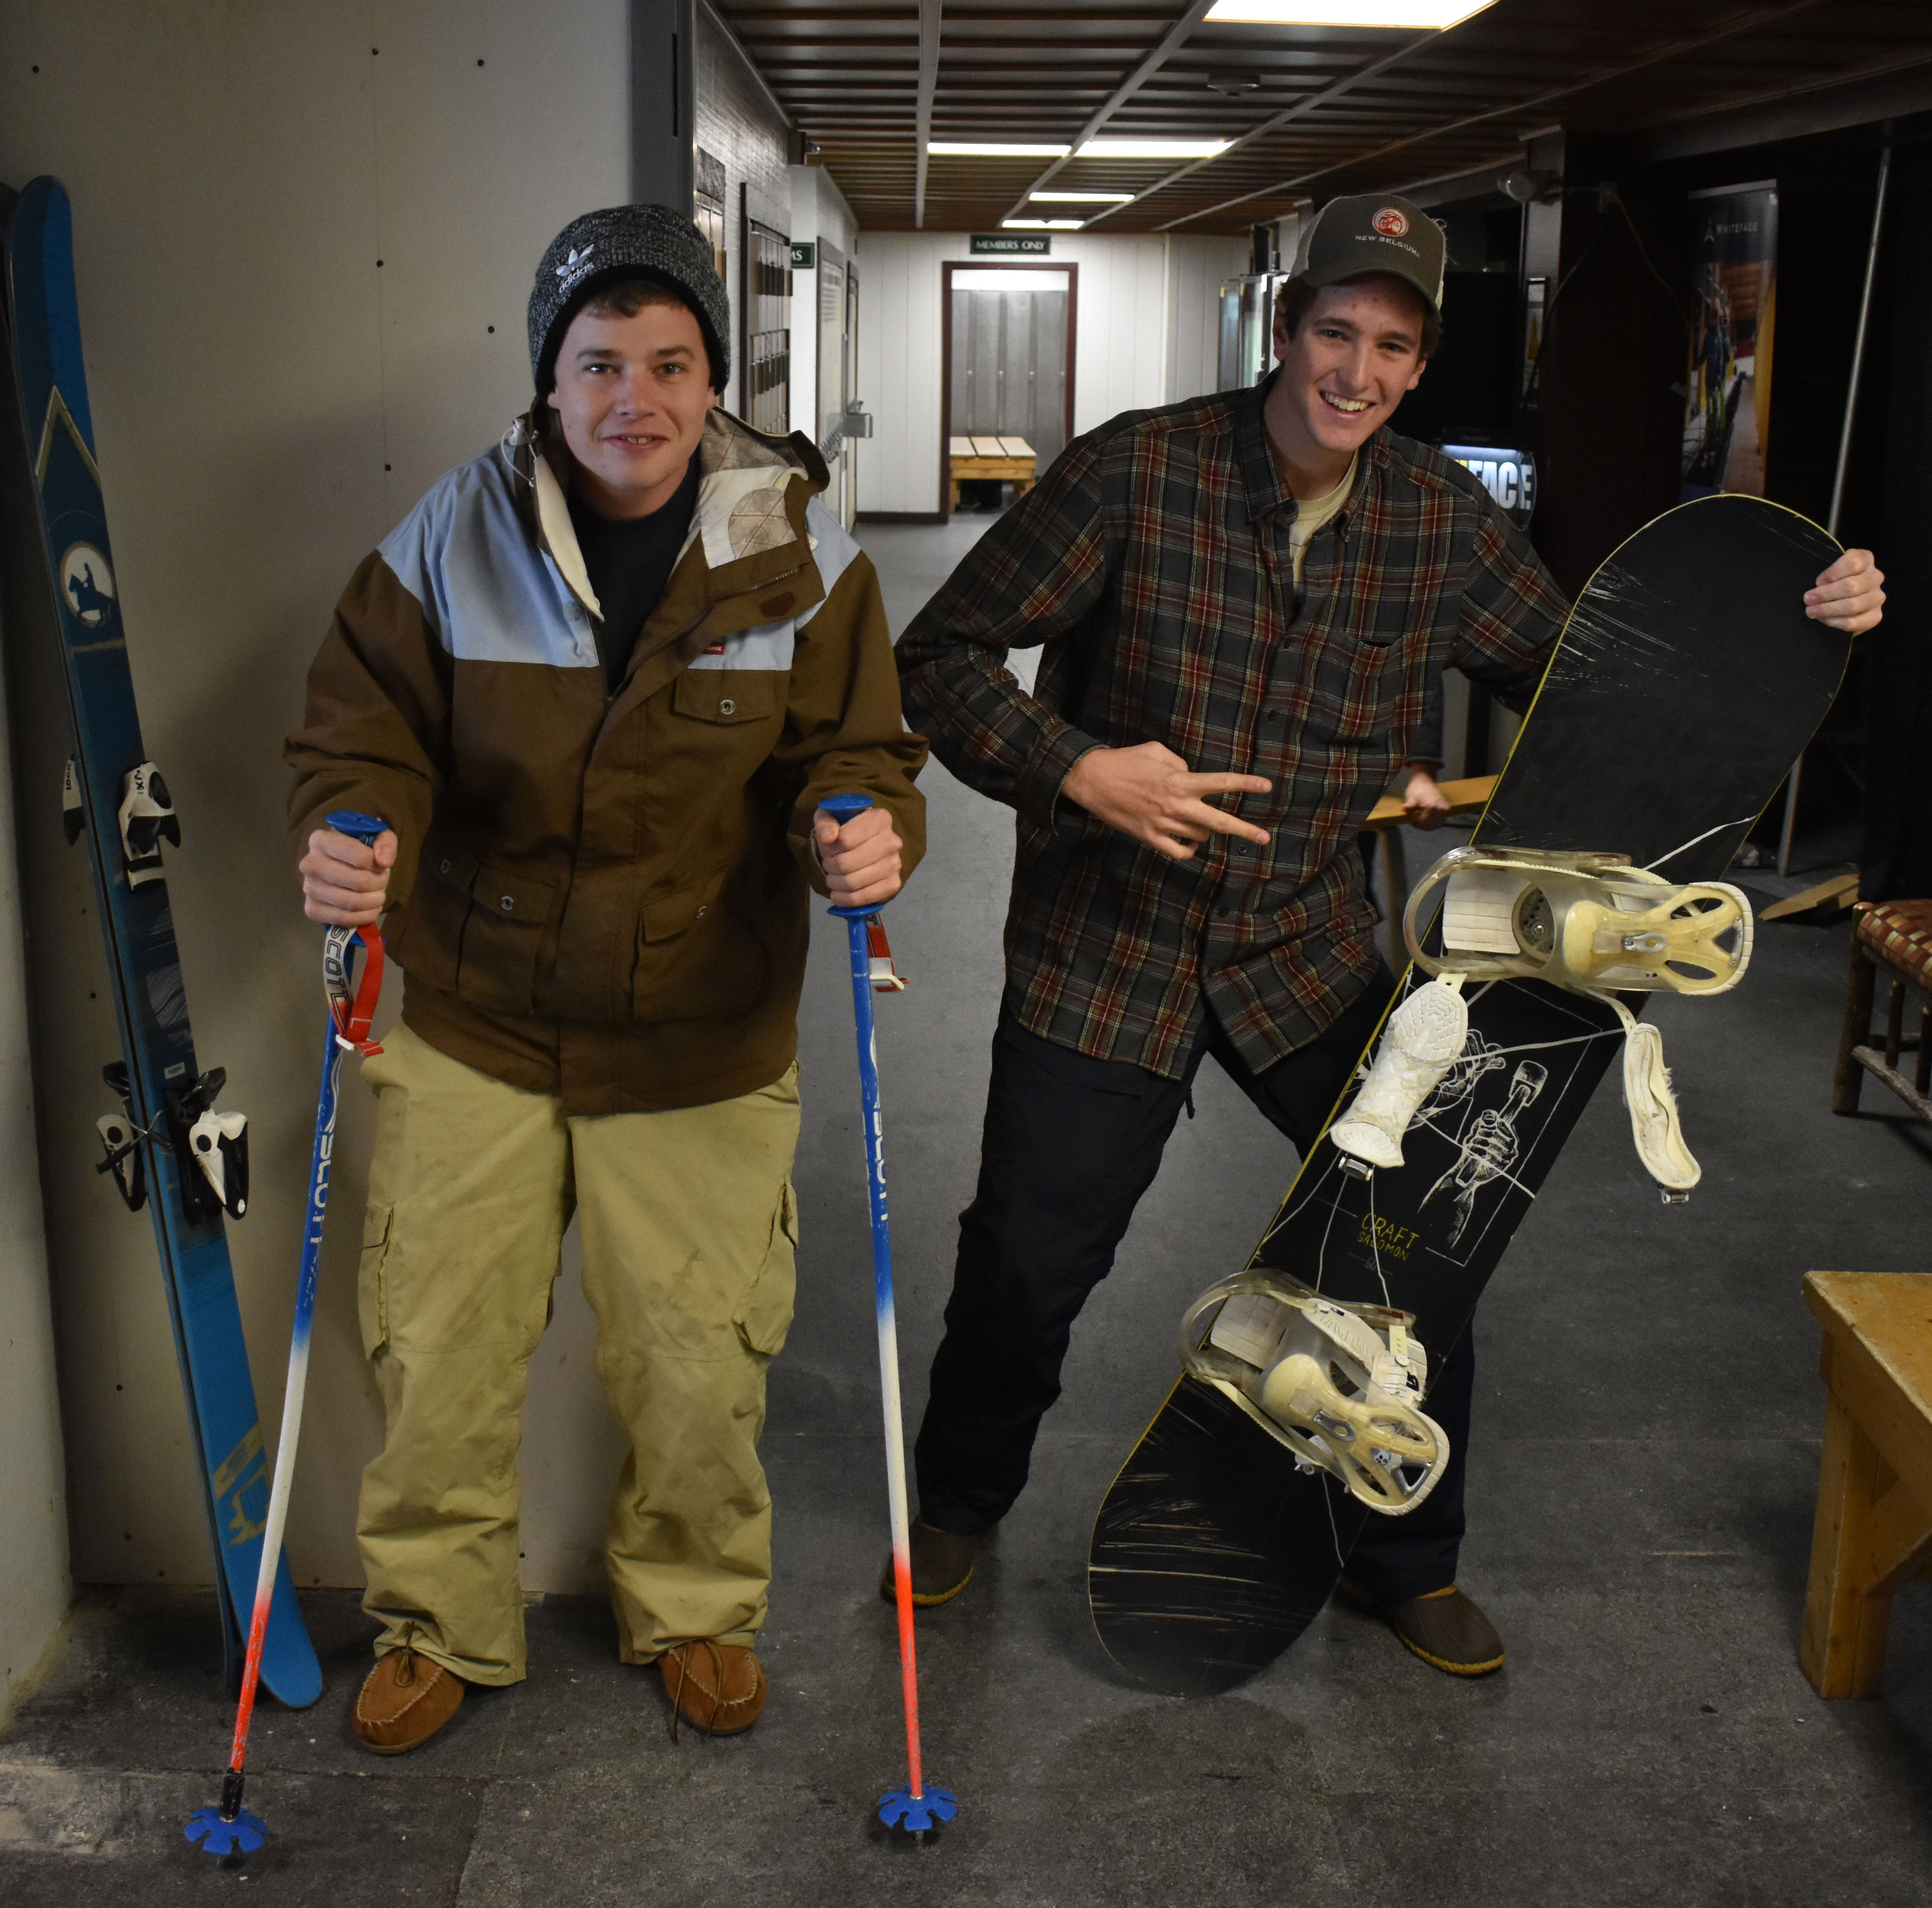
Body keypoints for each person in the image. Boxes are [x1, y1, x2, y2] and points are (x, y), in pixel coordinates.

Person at [892, 191, 1885, 1675]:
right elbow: (941, 654)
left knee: (1418, 1252)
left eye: (1391, 347)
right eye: (1335, 334)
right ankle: (962, 1501)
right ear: (1287, 330)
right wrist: (1075, 766)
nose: (1354, 371)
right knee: (1029, 1259)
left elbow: (1594, 687)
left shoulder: (1436, 517)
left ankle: (1401, 1551)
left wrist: (1802, 621)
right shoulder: (1134, 474)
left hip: (1304, 950)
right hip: (1111, 944)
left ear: (1418, 368)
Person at [285, 204, 925, 1752]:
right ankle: (438, 1619)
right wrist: (348, 825)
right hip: (477, 1019)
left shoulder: (798, 551)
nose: (632, 398)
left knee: (699, 1361)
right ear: (546, 381)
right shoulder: (450, 530)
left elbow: (856, 747)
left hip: (702, 1032)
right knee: (436, 1346)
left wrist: (865, 823)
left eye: (668, 362)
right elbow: (361, 728)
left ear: (714, 379)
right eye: (598, 364)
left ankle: (697, 1607)